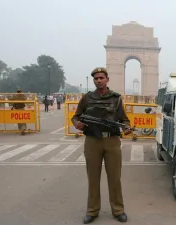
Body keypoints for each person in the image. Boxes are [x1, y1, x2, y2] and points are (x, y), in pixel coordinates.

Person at [71, 67, 132, 224]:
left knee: (114, 178)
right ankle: (92, 211)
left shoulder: (116, 98)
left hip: (111, 141)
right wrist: (77, 124)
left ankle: (118, 210)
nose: (98, 80)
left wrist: (126, 127)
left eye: (101, 78)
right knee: (93, 178)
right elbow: (76, 117)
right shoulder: (87, 98)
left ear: (107, 79)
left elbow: (124, 119)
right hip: (92, 141)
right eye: (96, 78)